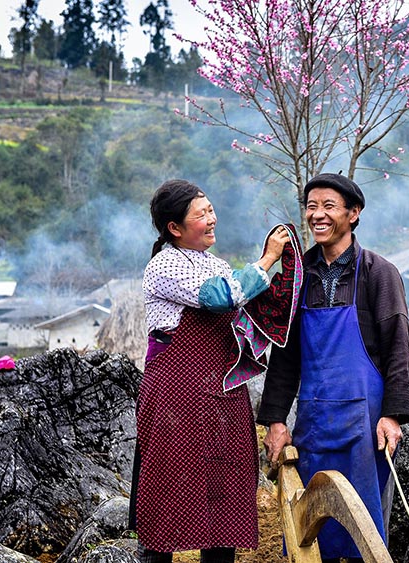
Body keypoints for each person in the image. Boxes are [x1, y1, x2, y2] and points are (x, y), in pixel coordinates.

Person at [130, 179, 297, 563]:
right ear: (175, 228)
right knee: (168, 489)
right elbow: (220, 297)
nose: (212, 218)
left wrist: (286, 277)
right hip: (175, 395)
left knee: (226, 491)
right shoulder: (165, 265)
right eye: (201, 214)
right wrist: (268, 259)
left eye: (211, 210)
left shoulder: (218, 265)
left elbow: (243, 305)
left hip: (222, 392)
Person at [258, 172, 409, 561]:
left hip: (365, 424)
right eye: (312, 207)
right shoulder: (299, 277)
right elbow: (285, 356)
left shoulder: (379, 274)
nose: (317, 215)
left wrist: (393, 415)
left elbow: (397, 348)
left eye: (329, 206)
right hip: (314, 422)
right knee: (310, 529)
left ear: (354, 214)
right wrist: (276, 421)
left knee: (364, 527)